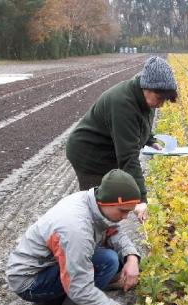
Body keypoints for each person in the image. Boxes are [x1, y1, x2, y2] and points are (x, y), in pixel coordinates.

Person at [5, 169, 142, 305]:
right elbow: (80, 288)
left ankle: (51, 304)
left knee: (108, 259)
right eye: (123, 211)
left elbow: (113, 229)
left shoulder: (91, 201)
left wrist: (131, 257)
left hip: (44, 267)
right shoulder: (76, 229)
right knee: (104, 264)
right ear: (105, 202)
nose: (125, 217)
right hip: (29, 281)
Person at [66, 56, 178, 222]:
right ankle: (87, 237)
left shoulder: (145, 100)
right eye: (160, 98)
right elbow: (128, 157)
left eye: (165, 100)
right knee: (99, 206)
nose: (161, 104)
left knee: (109, 204)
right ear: (146, 87)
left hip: (107, 150)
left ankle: (104, 235)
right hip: (90, 155)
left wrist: (150, 140)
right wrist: (141, 199)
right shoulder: (123, 104)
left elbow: (140, 125)